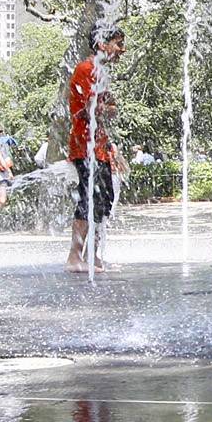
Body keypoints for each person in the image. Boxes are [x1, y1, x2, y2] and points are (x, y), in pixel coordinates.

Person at [66, 24, 126, 272]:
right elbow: (96, 109)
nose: (122, 49)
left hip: (99, 146)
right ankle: (74, 257)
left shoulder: (100, 72)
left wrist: (113, 148)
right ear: (103, 44)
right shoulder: (86, 69)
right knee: (88, 197)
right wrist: (106, 108)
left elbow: (107, 110)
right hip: (85, 146)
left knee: (104, 199)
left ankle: (93, 254)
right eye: (118, 44)